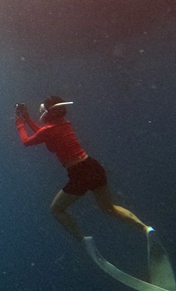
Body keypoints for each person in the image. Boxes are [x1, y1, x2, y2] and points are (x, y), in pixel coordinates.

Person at [14, 96, 151, 242]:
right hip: (93, 166)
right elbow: (44, 133)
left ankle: (83, 240)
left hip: (79, 173)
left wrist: (19, 122)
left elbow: (27, 141)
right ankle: (145, 228)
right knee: (109, 208)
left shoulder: (49, 130)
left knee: (56, 210)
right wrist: (27, 118)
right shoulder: (65, 123)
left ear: (47, 114)